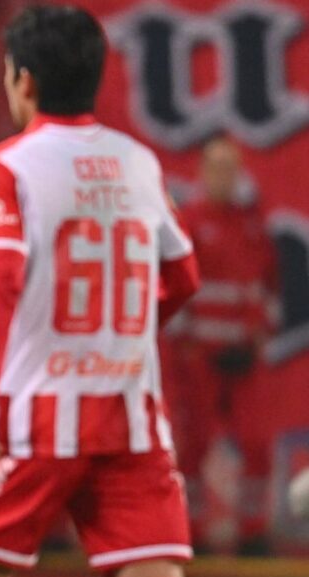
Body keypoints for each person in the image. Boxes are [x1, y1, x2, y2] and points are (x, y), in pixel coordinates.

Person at [0, 7, 200, 577]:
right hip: (130, 411)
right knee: (151, 573)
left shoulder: (5, 166)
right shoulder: (140, 163)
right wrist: (118, 335)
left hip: (37, 418)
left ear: (23, 81)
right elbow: (182, 277)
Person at [164, 135, 277, 554]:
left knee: (256, 441)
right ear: (202, 172)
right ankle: (191, 529)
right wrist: (188, 346)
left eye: (231, 167)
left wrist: (258, 335)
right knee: (194, 445)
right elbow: (175, 289)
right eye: (216, 166)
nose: (224, 176)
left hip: (244, 356)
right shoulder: (188, 222)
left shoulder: (250, 224)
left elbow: (264, 286)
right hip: (200, 356)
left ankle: (253, 529)